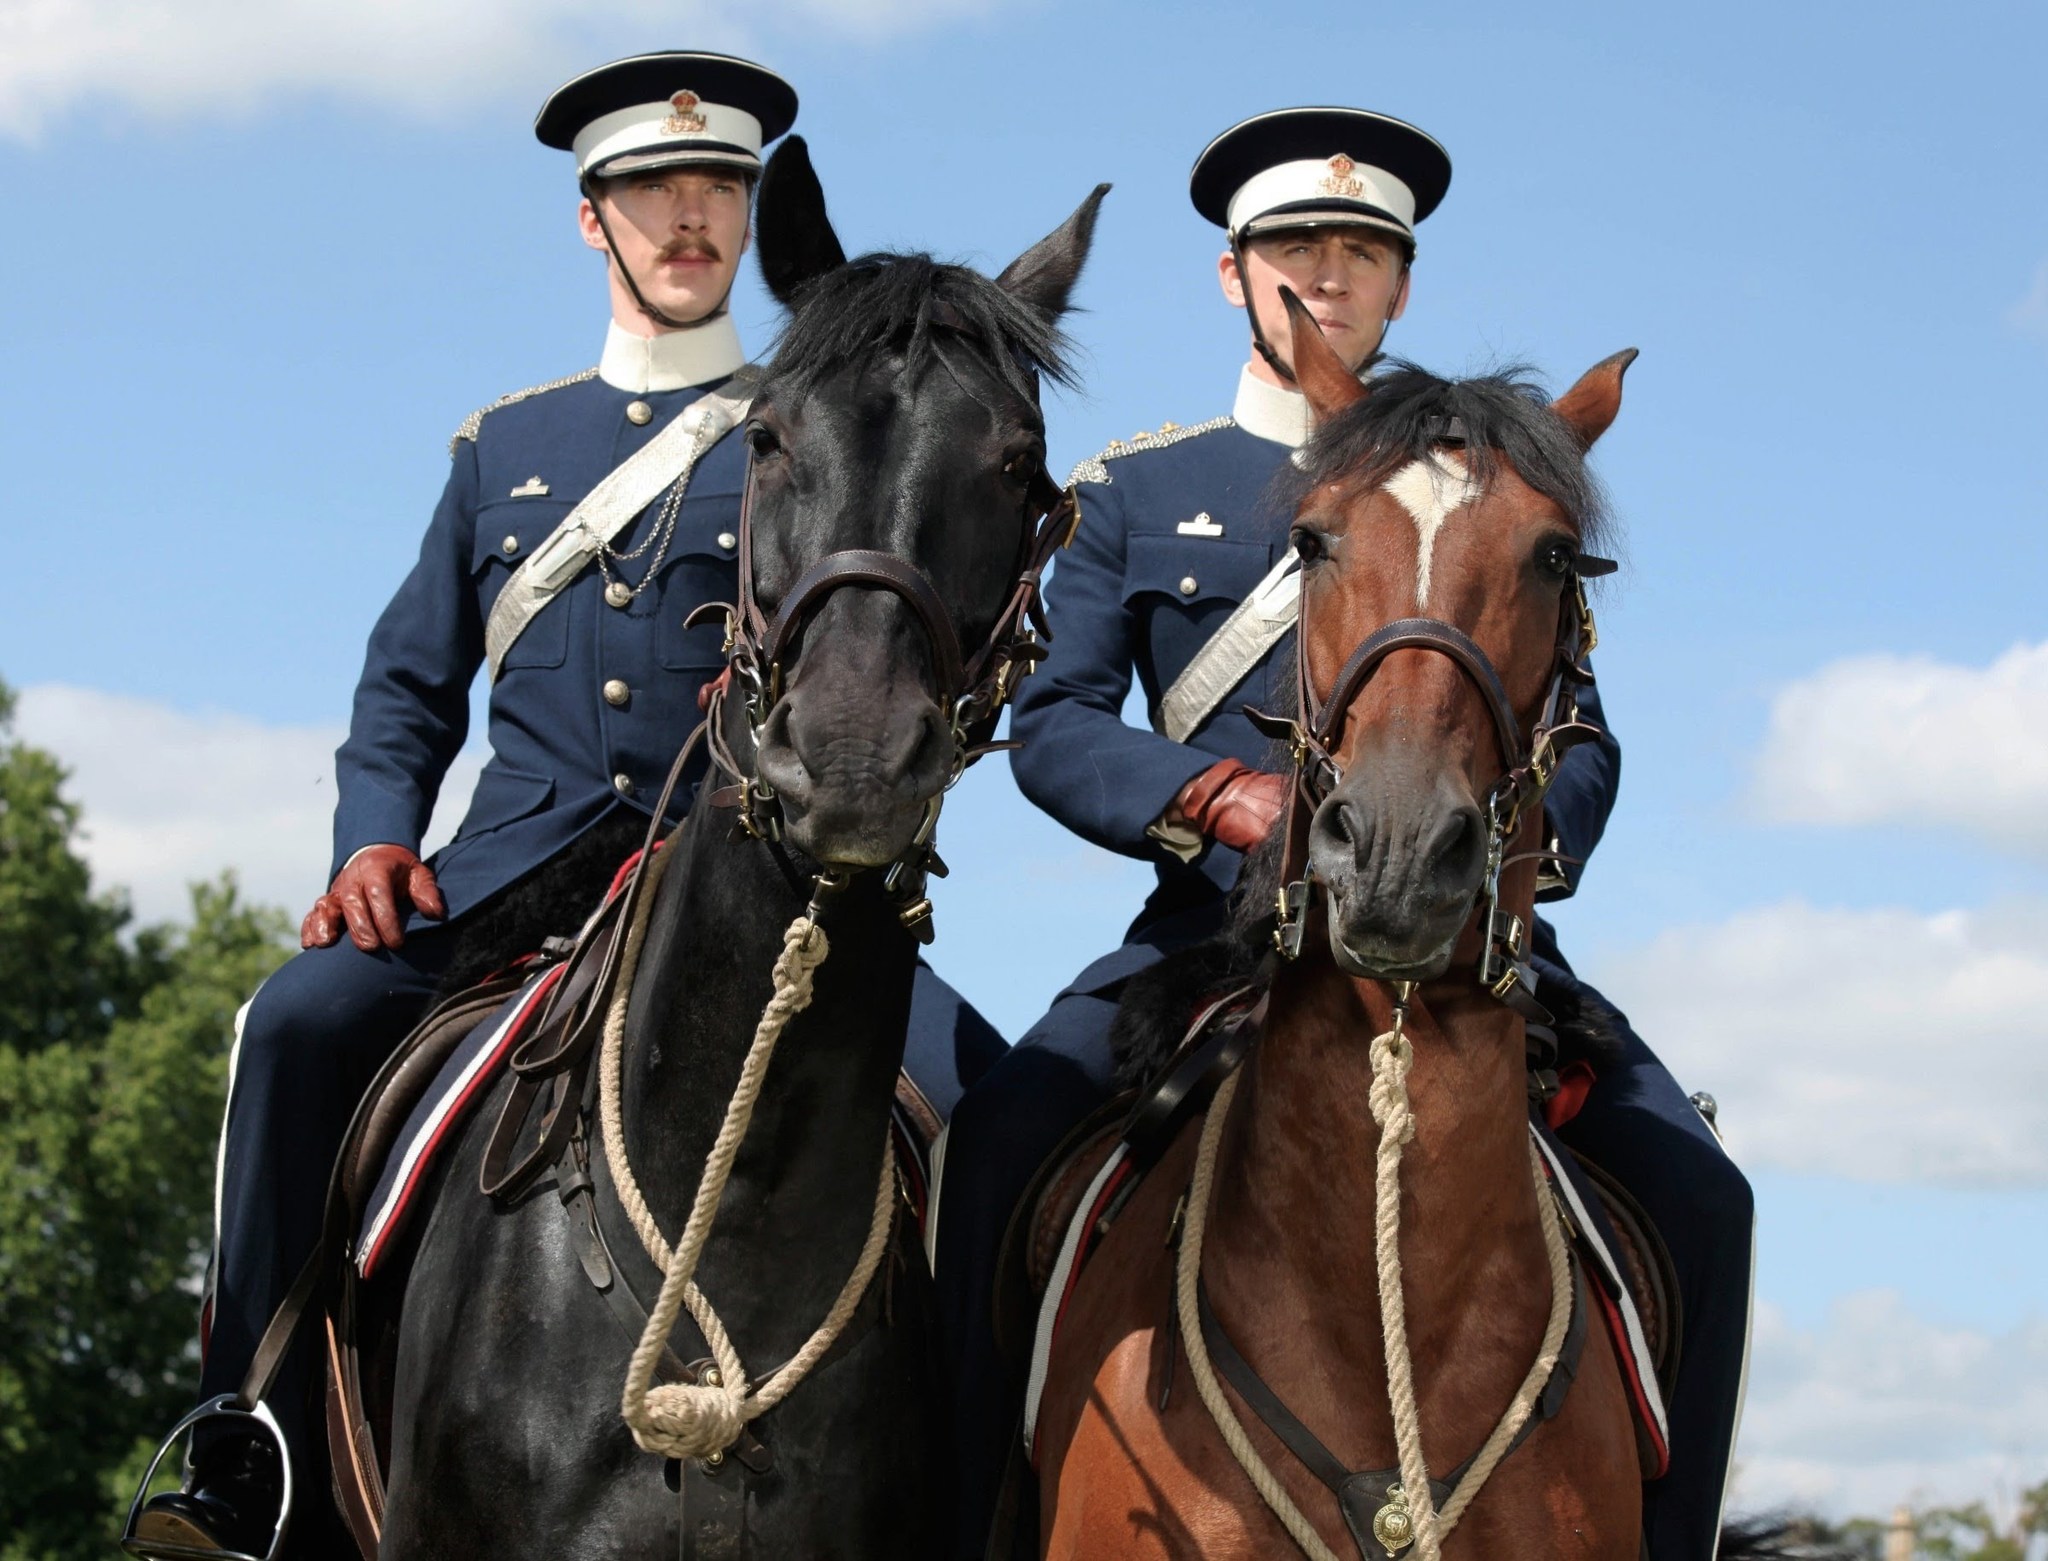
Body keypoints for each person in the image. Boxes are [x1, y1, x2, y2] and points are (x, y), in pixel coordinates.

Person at [129, 52, 1003, 1560]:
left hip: (750, 882)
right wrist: (372, 843)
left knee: (982, 1111)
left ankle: (996, 1485)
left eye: (720, 190)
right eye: (655, 195)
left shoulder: (814, 423)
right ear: (591, 223)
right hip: (512, 880)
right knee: (292, 1024)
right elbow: (408, 689)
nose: (691, 220)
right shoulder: (503, 450)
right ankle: (243, 1448)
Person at [934, 107, 1754, 1560]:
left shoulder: (1493, 483)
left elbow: (1584, 736)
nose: (1328, 273)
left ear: (1403, 287)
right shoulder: (1137, 488)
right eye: (1293, 248)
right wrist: (1213, 797)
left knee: (1700, 1189)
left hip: (1475, 941)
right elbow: (1056, 725)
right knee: (998, 1139)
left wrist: (1513, 862)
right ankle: (974, 1523)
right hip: (1209, 943)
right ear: (1232, 275)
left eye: (1362, 252)